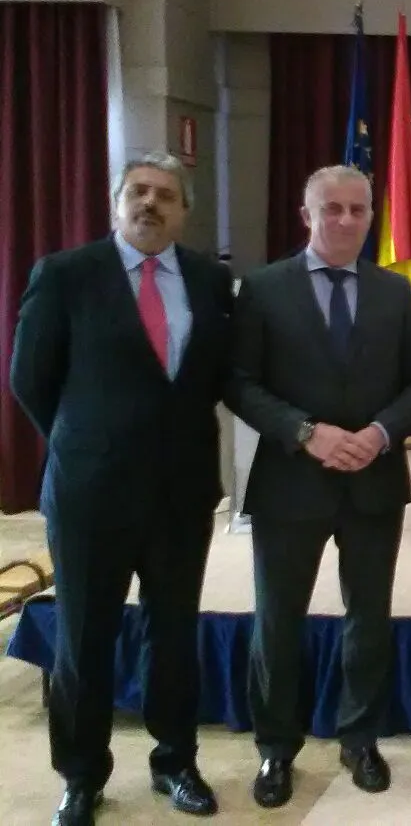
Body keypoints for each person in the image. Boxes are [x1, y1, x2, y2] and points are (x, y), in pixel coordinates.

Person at [10, 153, 232, 825]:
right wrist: (86, 442)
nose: (150, 203)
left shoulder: (209, 281)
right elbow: (29, 379)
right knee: (84, 637)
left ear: (184, 211)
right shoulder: (67, 275)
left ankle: (175, 761)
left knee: (173, 634)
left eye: (166, 195)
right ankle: (81, 776)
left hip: (181, 493)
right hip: (90, 494)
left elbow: (215, 376)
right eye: (138, 191)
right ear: (116, 201)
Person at [226, 165, 411, 809]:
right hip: (292, 481)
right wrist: (303, 431)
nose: (346, 220)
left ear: (373, 216)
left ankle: (359, 737)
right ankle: (275, 749)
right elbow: (237, 382)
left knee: (367, 619)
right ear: (305, 213)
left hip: (372, 479)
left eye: (358, 209)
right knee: (277, 621)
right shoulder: (262, 290)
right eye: (332, 208)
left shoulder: (395, 293)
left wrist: (379, 433)